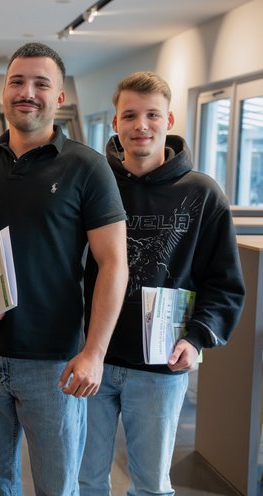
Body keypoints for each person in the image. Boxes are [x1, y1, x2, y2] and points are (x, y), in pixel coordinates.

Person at [0, 42, 129, 495]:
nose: (26, 92)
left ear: (59, 97)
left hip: (56, 364)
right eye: (17, 81)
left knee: (57, 487)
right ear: (5, 91)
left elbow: (113, 264)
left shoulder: (87, 168)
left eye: (40, 84)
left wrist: (94, 353)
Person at [79, 71, 246, 495]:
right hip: (90, 357)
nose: (141, 125)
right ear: (115, 123)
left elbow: (224, 282)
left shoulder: (203, 193)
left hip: (159, 367)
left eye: (152, 114)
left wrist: (195, 340)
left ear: (168, 119)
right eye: (130, 115)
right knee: (85, 479)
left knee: (152, 484)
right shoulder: (94, 184)